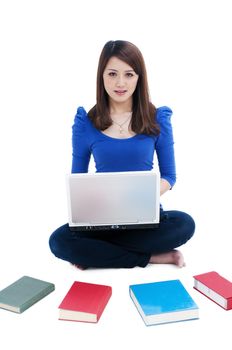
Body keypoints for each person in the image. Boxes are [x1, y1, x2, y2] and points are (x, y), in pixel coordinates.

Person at [49, 40, 195, 269]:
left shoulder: (157, 119)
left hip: (145, 219)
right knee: (58, 242)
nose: (120, 83)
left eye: (129, 74)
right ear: (102, 76)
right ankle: (153, 257)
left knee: (185, 224)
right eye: (112, 74)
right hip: (101, 221)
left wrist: (139, 197)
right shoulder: (85, 123)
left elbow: (170, 175)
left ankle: (97, 253)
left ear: (139, 78)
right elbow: (78, 180)